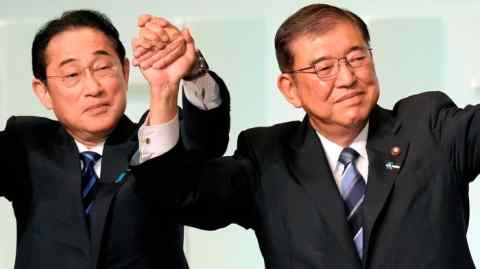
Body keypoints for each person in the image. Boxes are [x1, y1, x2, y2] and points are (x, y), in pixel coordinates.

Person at [132, 3, 480, 269]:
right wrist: (165, 90)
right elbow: (179, 195)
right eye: (323, 68)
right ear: (290, 89)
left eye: (356, 58)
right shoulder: (266, 157)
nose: (346, 78)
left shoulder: (428, 125)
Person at [0, 9, 230, 269]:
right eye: (72, 75)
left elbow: (207, 142)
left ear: (125, 71)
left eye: (102, 68)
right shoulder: (25, 143)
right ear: (44, 92)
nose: (93, 88)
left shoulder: (159, 132)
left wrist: (190, 73)